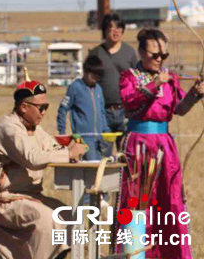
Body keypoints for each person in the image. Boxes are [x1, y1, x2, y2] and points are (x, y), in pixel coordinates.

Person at [116, 29, 203, 259]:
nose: (159, 60)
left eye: (164, 56)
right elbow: (129, 101)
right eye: (155, 55)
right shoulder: (129, 77)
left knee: (170, 200)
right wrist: (155, 84)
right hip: (138, 147)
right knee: (136, 203)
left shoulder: (170, 78)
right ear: (142, 52)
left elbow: (179, 109)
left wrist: (194, 94)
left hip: (165, 148)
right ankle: (134, 253)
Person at [0, 78, 86, 259]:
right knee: (47, 219)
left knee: (70, 216)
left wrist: (69, 150)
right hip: (2, 200)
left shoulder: (34, 129)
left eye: (46, 107)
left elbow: (53, 148)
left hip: (29, 197)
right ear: (24, 107)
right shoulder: (9, 128)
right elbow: (32, 158)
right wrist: (67, 154)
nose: (44, 113)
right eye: (40, 107)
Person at [90, 13, 138, 149]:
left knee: (126, 153)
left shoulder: (130, 52)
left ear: (123, 30)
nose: (115, 31)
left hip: (125, 111)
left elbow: (138, 79)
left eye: (119, 27)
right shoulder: (96, 53)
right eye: (111, 27)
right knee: (103, 152)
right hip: (103, 112)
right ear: (105, 30)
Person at [57, 55, 112, 159]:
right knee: (90, 170)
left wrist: (106, 131)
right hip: (84, 139)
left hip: (100, 140)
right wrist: (62, 132)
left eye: (98, 75)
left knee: (101, 170)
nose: (95, 77)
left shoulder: (98, 89)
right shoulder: (75, 87)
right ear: (85, 71)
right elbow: (63, 109)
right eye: (92, 73)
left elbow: (102, 112)